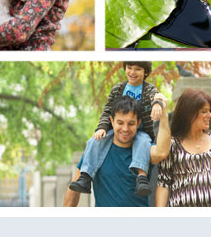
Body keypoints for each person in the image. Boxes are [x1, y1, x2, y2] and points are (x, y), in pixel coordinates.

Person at [68, 62, 167, 196]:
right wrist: (102, 127)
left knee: (143, 143)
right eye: (129, 68)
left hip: (141, 130)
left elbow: (156, 98)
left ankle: (142, 177)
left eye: (137, 69)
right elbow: (108, 110)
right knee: (94, 140)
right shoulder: (118, 89)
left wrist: (157, 104)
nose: (132, 72)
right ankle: (85, 176)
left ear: (145, 72)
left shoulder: (149, 89)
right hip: (118, 129)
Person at [62, 96, 171, 207]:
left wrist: (164, 114)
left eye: (131, 123)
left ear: (138, 123)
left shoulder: (144, 148)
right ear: (112, 121)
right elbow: (74, 190)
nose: (125, 129)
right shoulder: (96, 149)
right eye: (120, 123)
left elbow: (162, 153)